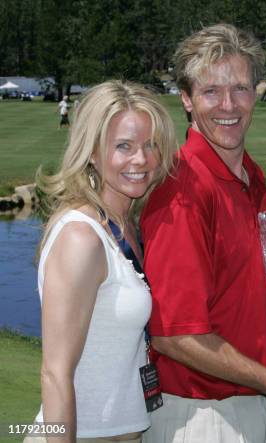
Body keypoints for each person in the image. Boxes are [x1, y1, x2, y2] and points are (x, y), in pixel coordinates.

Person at [139, 24, 266, 443]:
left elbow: (252, 321)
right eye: (211, 91)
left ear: (257, 93)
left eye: (240, 88)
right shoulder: (182, 189)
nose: (228, 105)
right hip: (198, 418)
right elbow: (177, 335)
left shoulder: (252, 178)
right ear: (186, 99)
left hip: (250, 408)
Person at [32, 80, 177, 442]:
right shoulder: (81, 236)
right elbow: (54, 372)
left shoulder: (128, 228)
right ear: (93, 152)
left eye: (150, 145)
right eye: (123, 147)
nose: (141, 160)